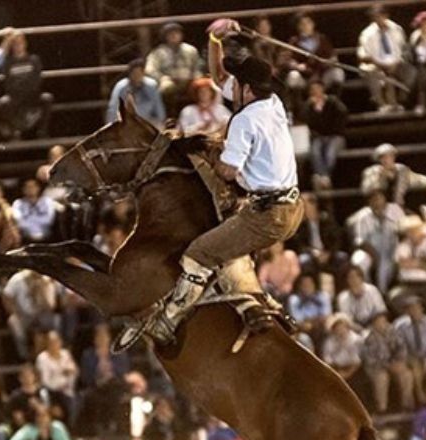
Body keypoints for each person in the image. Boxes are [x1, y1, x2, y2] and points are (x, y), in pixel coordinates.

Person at [116, 31, 302, 350]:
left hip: (267, 213)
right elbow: (218, 76)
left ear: (245, 88)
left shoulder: (245, 120)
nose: (229, 84)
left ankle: (167, 321)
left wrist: (209, 150)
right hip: (289, 205)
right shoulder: (271, 101)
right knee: (223, 236)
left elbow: (228, 171)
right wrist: (215, 41)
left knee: (199, 252)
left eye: (236, 81)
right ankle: (255, 302)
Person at [0, 30, 54, 139]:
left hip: (31, 95)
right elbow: (8, 83)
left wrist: (23, 86)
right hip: (16, 97)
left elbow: (37, 80)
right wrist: (20, 87)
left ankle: (42, 131)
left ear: (25, 43)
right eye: (15, 43)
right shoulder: (8, 63)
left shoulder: (34, 60)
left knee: (47, 98)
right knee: (2, 103)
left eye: (20, 42)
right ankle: (13, 132)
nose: (18, 46)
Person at [357, 4, 414, 112]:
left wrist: (396, 62)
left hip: (396, 63)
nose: (378, 19)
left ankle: (401, 100)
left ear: (386, 16)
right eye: (375, 16)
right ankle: (382, 104)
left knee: (411, 72)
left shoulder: (397, 29)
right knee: (374, 73)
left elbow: (404, 49)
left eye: (380, 16)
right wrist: (379, 63)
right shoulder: (367, 34)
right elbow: (362, 54)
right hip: (376, 64)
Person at [347, 190, 405, 291]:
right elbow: (359, 241)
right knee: (358, 260)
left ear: (385, 199)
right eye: (373, 200)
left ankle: (382, 294)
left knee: (385, 267)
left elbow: (405, 229)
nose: (376, 202)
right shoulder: (362, 216)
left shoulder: (395, 210)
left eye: (379, 198)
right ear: (369, 203)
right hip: (370, 249)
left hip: (391, 248)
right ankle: (366, 290)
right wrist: (374, 254)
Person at [145, 22, 204, 115]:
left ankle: (202, 114)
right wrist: (161, 78)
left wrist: (197, 76)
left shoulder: (191, 50)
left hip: (189, 80)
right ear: (165, 37)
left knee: (204, 85)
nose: (174, 36)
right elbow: (150, 69)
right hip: (169, 80)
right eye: (170, 34)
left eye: (176, 33)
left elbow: (198, 66)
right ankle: (169, 115)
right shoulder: (158, 52)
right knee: (167, 88)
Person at [393, 296, 426, 404]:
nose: (414, 311)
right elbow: (401, 346)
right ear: (407, 311)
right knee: (415, 369)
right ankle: (420, 396)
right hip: (411, 357)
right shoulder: (400, 325)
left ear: (421, 309)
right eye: (411, 309)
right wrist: (408, 359)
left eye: (416, 308)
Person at [361, 311, 414, 412]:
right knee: (382, 378)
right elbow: (370, 359)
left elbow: (402, 348)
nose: (382, 324)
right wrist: (388, 365)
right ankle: (382, 409)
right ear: (374, 323)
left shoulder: (393, 332)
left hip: (394, 363)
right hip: (376, 367)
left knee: (406, 374)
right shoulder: (368, 337)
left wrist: (399, 361)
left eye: (383, 321)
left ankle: (406, 405)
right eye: (379, 322)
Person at [360, 143, 426, 209]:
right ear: (379, 160)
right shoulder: (371, 172)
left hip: (397, 209)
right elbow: (366, 190)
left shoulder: (401, 171)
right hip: (377, 209)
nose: (386, 160)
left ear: (394, 157)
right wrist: (379, 179)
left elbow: (417, 179)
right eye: (383, 157)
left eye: (389, 156)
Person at [299, 81, 347, 190]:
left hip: (335, 136)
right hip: (319, 137)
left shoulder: (332, 101)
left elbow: (343, 113)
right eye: (312, 90)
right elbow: (304, 119)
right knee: (315, 152)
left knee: (330, 153)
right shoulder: (310, 106)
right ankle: (322, 176)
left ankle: (324, 176)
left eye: (317, 88)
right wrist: (309, 106)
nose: (315, 92)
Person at [285, 12, 345, 97]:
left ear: (313, 24)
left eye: (308, 23)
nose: (306, 26)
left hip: (322, 76)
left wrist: (329, 62)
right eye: (302, 24)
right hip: (306, 78)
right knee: (293, 77)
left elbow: (333, 56)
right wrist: (298, 66)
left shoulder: (322, 39)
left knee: (338, 73)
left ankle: (332, 101)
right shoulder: (294, 41)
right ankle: (298, 108)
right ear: (298, 27)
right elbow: (289, 60)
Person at [105, 59, 166, 128]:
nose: (136, 77)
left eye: (139, 74)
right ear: (129, 74)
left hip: (147, 121)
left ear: (143, 73)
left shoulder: (151, 86)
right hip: (127, 123)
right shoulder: (121, 87)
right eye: (134, 74)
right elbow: (113, 108)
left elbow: (158, 107)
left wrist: (161, 122)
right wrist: (112, 126)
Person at [12, 178, 61, 244]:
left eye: (33, 186)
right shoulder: (18, 203)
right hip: (26, 238)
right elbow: (20, 222)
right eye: (27, 187)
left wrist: (29, 219)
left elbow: (49, 220)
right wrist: (36, 221)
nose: (30, 189)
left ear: (38, 188)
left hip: (46, 237)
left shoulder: (47, 201)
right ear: (23, 190)